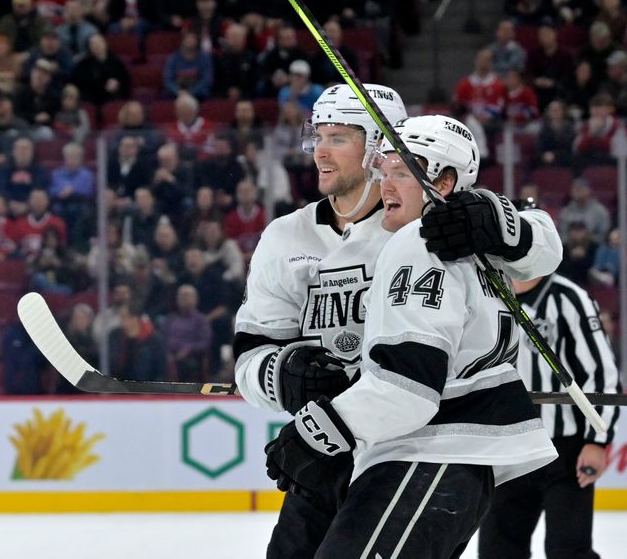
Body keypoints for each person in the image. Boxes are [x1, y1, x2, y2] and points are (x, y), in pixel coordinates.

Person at [234, 83, 563, 557]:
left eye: (338, 137)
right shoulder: (285, 237)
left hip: (413, 433)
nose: (319, 151)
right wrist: (282, 375)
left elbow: (542, 250)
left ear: (374, 144)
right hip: (347, 436)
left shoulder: (431, 227)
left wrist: (494, 217)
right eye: (317, 136)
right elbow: (251, 353)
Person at [478, 268, 621, 559]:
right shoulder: (485, 292)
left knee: (567, 549)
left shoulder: (570, 298)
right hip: (507, 445)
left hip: (564, 448)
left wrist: (598, 441)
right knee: (498, 548)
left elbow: (600, 373)